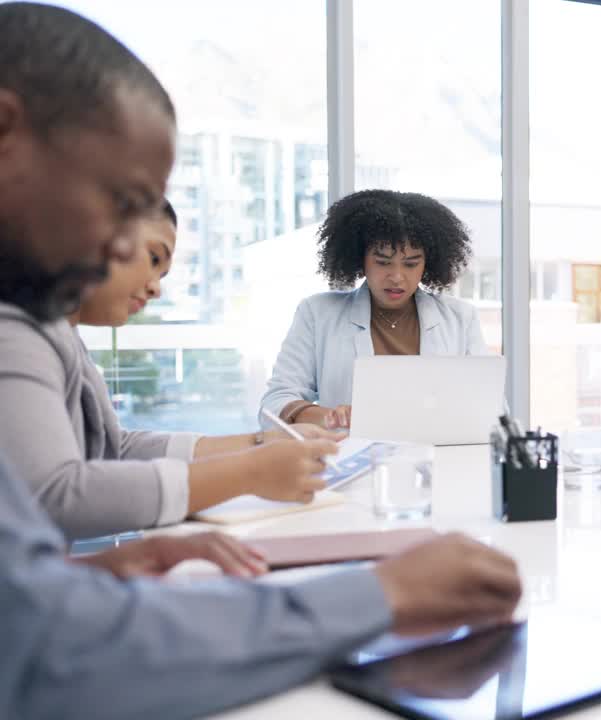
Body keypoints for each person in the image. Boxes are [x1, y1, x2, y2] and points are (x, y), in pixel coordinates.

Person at [0, 5, 521, 717]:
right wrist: (380, 594)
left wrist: (90, 569)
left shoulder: (35, 322)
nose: (124, 256)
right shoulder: (17, 328)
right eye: (123, 205)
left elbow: (23, 601)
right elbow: (53, 650)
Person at [0, 202, 341, 540]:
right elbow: (53, 496)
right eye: (153, 259)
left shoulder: (62, 334)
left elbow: (112, 449)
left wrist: (258, 442)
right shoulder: (18, 331)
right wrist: (250, 471)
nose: (156, 288)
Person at [261, 189, 487, 429]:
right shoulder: (317, 313)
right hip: (349, 458)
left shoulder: (460, 318)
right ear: (360, 259)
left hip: (436, 458)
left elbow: (490, 407)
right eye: (382, 262)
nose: (397, 277)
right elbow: (276, 402)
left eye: (411, 264)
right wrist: (330, 417)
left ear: (427, 263)